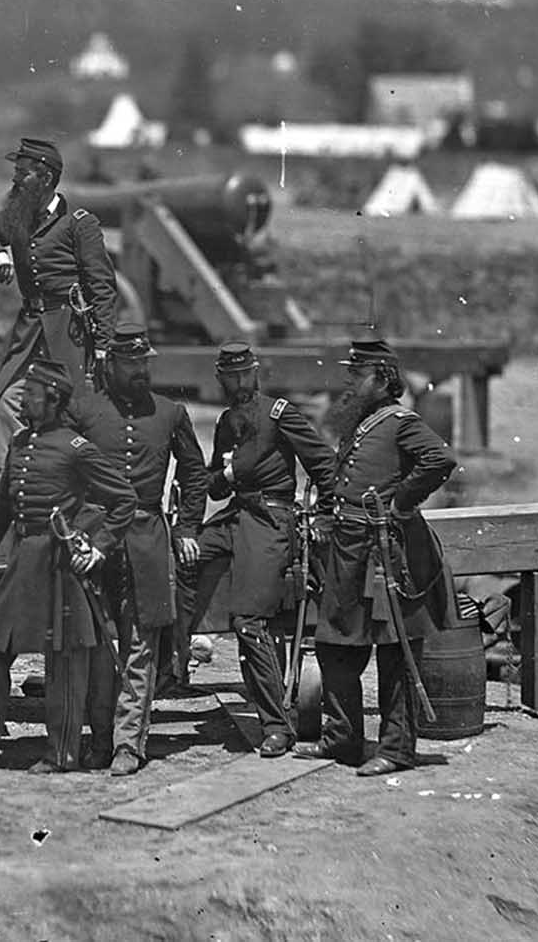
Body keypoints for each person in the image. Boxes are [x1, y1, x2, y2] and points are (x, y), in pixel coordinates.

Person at [0, 360, 135, 773]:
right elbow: (3, 507)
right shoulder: (22, 442)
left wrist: (96, 547)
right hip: (24, 560)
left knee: (64, 657)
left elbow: (124, 500)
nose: (24, 400)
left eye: (32, 393)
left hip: (62, 565)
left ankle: (61, 754)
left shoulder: (76, 448)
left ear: (53, 398)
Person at [296, 338, 457, 776]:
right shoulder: (362, 421)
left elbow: (440, 459)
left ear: (383, 380)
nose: (349, 383)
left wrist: (401, 503)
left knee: (395, 652)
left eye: (357, 375)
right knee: (335, 646)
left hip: (386, 553)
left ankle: (397, 750)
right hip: (348, 551)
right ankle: (343, 740)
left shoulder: (401, 422)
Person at [67, 322, 208, 776]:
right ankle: (100, 740)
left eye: (144, 362)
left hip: (147, 539)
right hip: (94, 535)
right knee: (96, 644)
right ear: (111, 365)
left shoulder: (171, 413)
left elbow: (195, 475)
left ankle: (130, 745)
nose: (140, 371)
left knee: (140, 645)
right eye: (131, 364)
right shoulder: (83, 410)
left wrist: (187, 528)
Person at [190, 342, 336, 759]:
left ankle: (277, 726)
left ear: (254, 375)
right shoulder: (224, 421)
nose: (236, 384)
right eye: (228, 377)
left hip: (270, 520)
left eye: (242, 375)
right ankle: (173, 666)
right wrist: (226, 472)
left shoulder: (279, 414)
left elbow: (324, 464)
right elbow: (214, 485)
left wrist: (324, 516)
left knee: (249, 621)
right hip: (235, 516)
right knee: (178, 559)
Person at [0, 138, 118, 489]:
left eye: (22, 174)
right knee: (3, 401)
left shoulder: (79, 224)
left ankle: (69, 485)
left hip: (69, 333)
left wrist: (103, 346)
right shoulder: (16, 219)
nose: (15, 181)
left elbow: (103, 286)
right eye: (15, 173)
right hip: (28, 332)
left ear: (45, 179)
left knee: (73, 412)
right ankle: (4, 486)